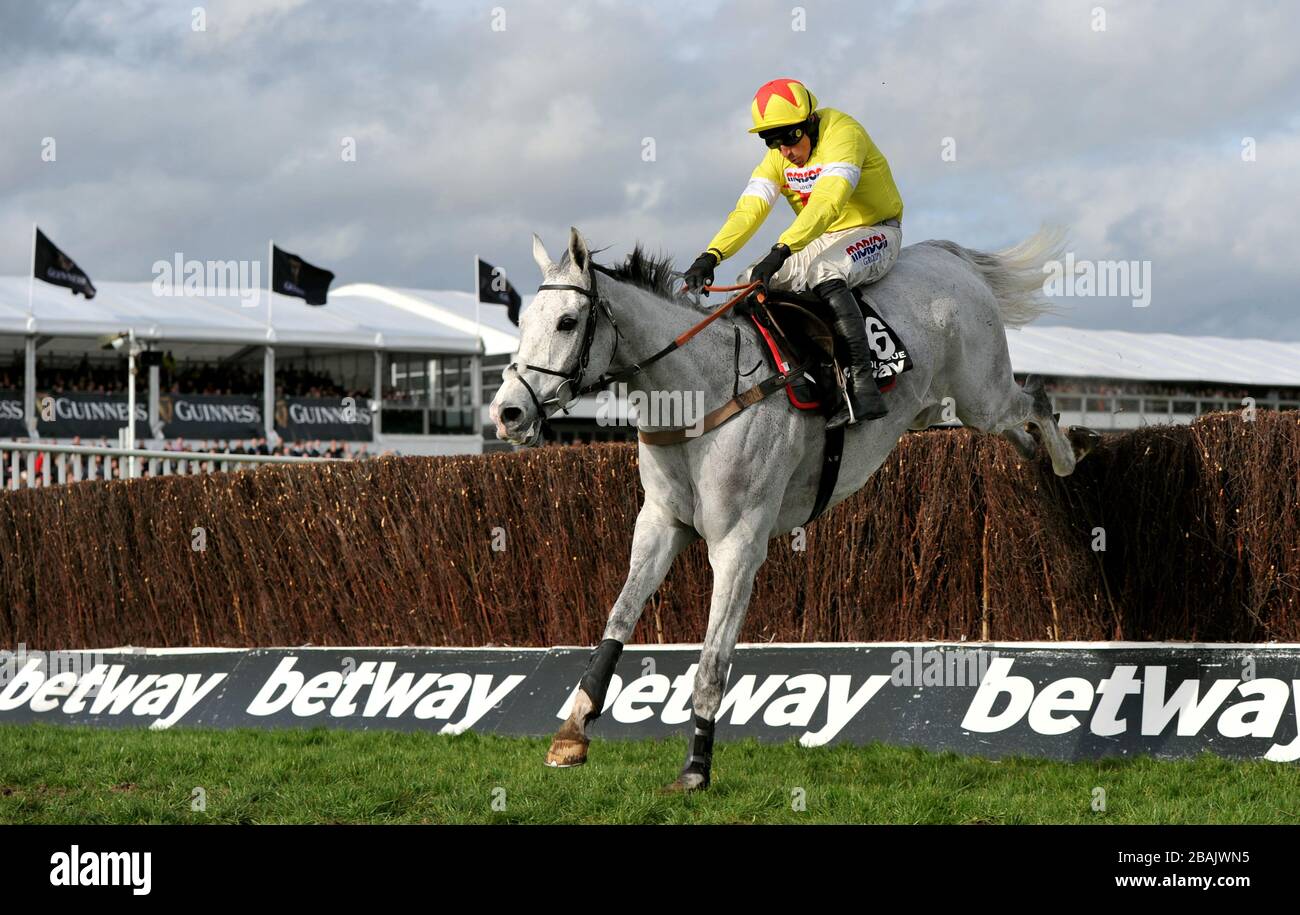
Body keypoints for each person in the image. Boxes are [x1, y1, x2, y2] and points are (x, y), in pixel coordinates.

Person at [684, 78, 905, 428]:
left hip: (874, 229)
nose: (784, 150)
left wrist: (782, 249)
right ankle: (805, 373)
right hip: (820, 236)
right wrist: (711, 256)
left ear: (812, 122)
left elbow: (827, 202)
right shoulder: (776, 159)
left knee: (823, 272)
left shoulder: (844, 133)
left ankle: (863, 384)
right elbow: (749, 211)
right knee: (749, 283)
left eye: (790, 137)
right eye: (772, 140)